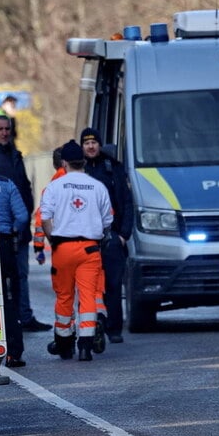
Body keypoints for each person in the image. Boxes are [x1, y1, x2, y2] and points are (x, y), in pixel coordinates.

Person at [40, 140, 112, 362]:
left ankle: (64, 342)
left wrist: (54, 238)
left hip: (63, 248)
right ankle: (86, 345)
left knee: (64, 296)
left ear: (64, 162)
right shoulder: (97, 186)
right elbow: (108, 219)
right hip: (90, 249)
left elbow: (44, 218)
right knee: (88, 296)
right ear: (83, 161)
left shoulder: (55, 186)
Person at [0, 113, 51, 333]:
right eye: (0, 129)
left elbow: (25, 188)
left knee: (21, 275)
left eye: (7, 129)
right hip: (3, 229)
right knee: (3, 277)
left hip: (20, 228)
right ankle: (9, 320)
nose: (4, 133)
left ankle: (24, 316)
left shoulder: (15, 155)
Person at [80, 127, 134, 344]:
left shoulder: (114, 168)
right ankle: (90, 328)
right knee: (87, 286)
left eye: (94, 143)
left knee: (112, 284)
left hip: (112, 236)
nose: (91, 146)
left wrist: (124, 235)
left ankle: (114, 329)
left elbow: (127, 203)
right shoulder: (78, 171)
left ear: (100, 145)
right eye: (86, 143)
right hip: (85, 238)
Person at [0, 173, 29, 368]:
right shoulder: (7, 184)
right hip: (4, 244)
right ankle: (13, 353)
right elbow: (22, 216)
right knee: (9, 299)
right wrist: (14, 230)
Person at [33, 146, 66, 265]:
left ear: (54, 164)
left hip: (61, 245)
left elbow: (41, 217)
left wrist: (38, 247)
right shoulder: (88, 183)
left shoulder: (51, 188)